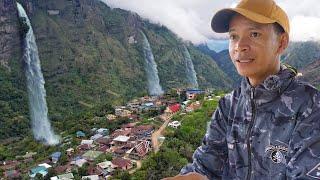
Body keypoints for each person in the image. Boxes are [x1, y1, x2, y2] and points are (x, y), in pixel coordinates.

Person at [165, 0, 320, 179]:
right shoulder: (228, 105)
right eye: (233, 36)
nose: (239, 45)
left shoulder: (310, 107)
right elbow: (206, 166)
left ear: (281, 43)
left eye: (254, 34)